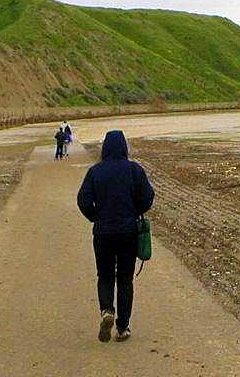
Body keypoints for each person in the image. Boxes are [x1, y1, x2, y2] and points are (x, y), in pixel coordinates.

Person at [77, 130, 155, 343]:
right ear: (124, 147)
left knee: (105, 276)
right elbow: (148, 197)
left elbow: (83, 200)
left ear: (105, 148)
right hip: (128, 231)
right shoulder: (134, 170)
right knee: (125, 280)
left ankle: (106, 311)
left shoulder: (95, 172)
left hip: (103, 232)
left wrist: (96, 217)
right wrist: (135, 212)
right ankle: (122, 327)